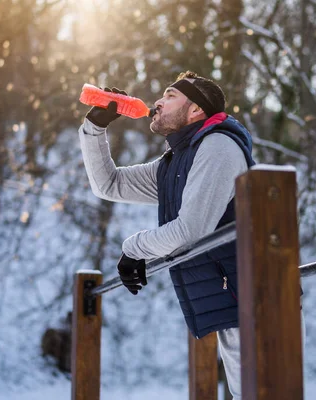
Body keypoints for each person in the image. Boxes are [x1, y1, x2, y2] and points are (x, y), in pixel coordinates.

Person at [78, 71, 255, 398]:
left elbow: (190, 231)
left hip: (258, 299)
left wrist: (134, 248)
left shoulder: (218, 146)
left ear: (195, 111)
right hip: (234, 298)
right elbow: (110, 184)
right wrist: (95, 127)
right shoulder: (177, 162)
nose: (157, 101)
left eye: (170, 95)